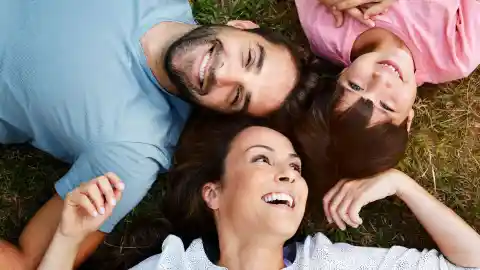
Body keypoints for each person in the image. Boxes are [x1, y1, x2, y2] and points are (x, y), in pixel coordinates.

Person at [0, 0, 304, 268]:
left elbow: (30, 261)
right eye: (250, 57)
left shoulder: (132, 156)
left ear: (221, 114)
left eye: (236, 96)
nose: (222, 73)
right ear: (241, 26)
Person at [39, 114, 480, 269]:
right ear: (213, 194)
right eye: (262, 159)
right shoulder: (173, 267)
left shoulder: (330, 262)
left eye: (295, 167)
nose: (288, 175)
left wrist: (401, 184)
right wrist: (67, 238)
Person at [292, 0, 480, 178]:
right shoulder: (457, 55)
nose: (381, 79)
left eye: (355, 86)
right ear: (408, 120)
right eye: (387, 105)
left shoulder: (327, 29)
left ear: (340, 76)